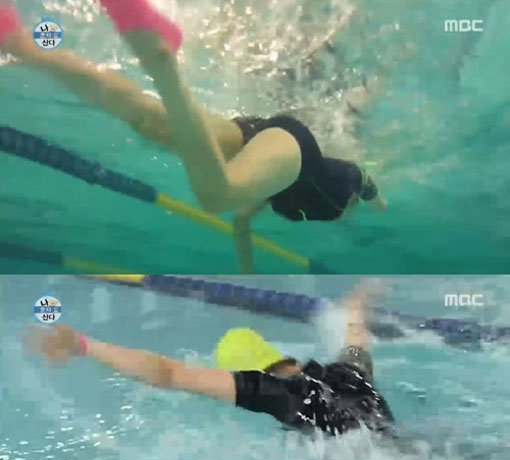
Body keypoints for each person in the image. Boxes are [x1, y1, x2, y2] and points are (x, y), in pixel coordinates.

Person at [0, 1, 387, 272]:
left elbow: (241, 227)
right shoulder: (351, 182)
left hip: (258, 135)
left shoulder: (276, 194)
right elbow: (372, 189)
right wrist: (380, 204)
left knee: (149, 122)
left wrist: (249, 276)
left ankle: (22, 46)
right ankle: (161, 61)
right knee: (216, 195)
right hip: (293, 145)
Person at [26, 285, 394, 439]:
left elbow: (169, 373)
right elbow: (355, 336)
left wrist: (83, 345)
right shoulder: (345, 373)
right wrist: (360, 300)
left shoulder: (273, 392)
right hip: (395, 439)